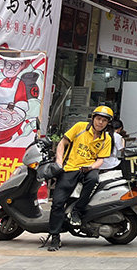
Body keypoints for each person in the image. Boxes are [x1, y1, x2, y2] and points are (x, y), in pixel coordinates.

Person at [44, 105, 115, 251]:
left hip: (89, 168)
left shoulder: (106, 138)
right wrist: (59, 162)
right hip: (70, 168)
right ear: (93, 118)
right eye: (98, 119)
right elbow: (62, 144)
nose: (100, 122)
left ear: (108, 123)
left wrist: (91, 167)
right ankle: (55, 237)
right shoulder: (80, 127)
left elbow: (100, 160)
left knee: (94, 179)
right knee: (57, 203)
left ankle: (77, 210)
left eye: (104, 120)